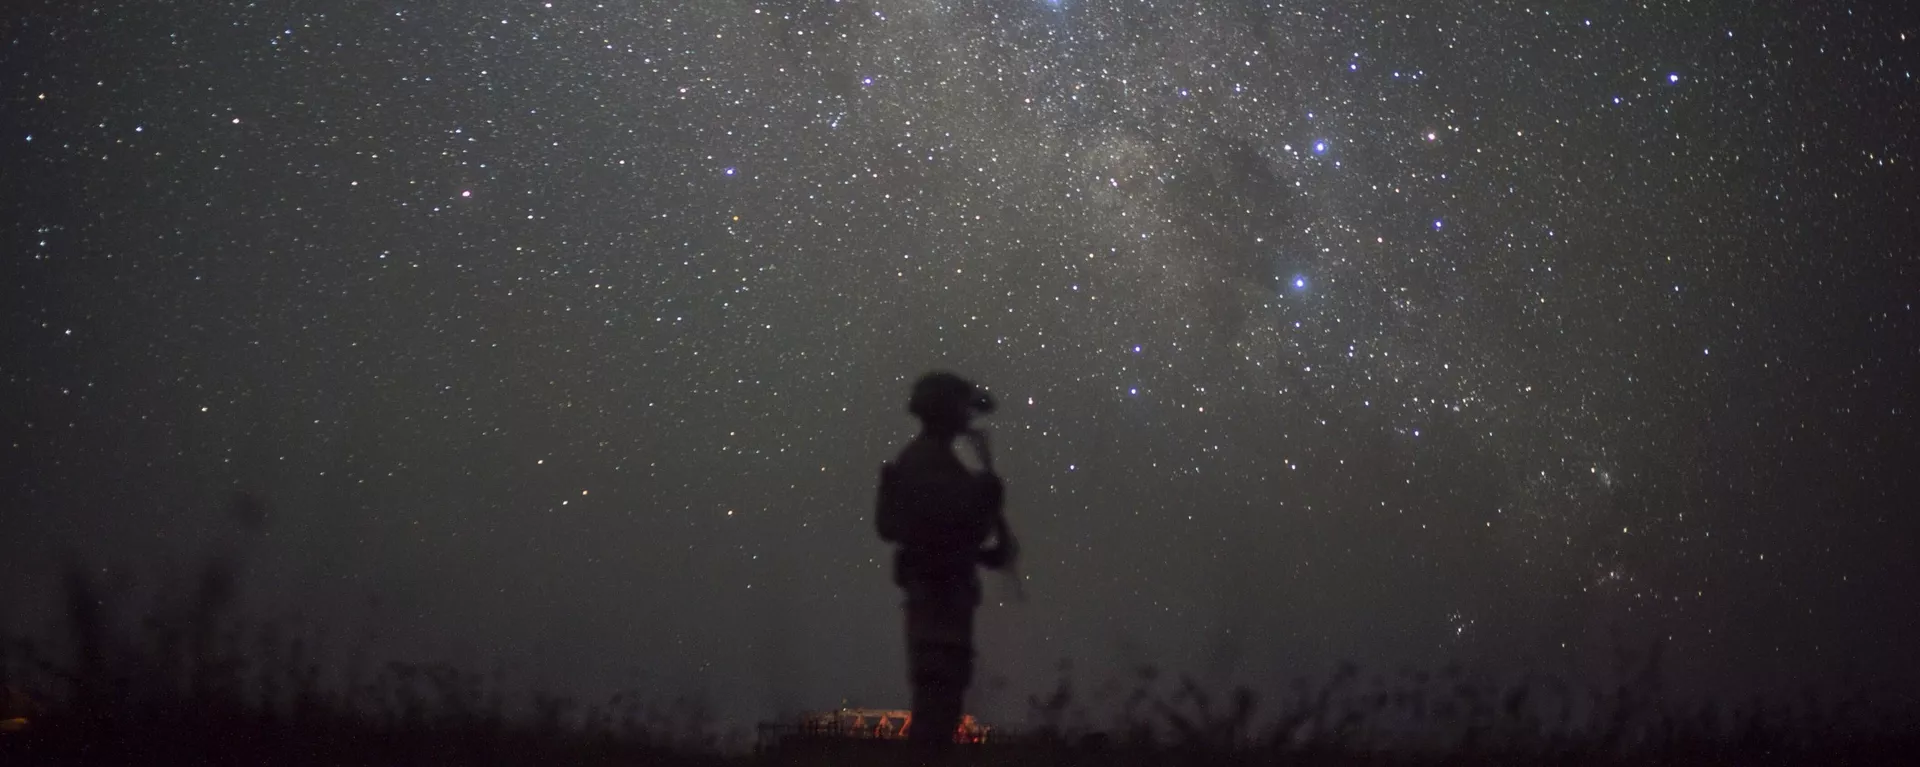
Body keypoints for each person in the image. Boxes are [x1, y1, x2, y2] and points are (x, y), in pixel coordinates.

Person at [875, 371, 1018, 751]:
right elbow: (951, 525)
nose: (968, 417)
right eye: (961, 407)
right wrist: (986, 492)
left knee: (942, 699)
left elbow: (958, 536)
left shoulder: (928, 460)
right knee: (937, 704)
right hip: (938, 598)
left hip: (941, 596)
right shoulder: (927, 463)